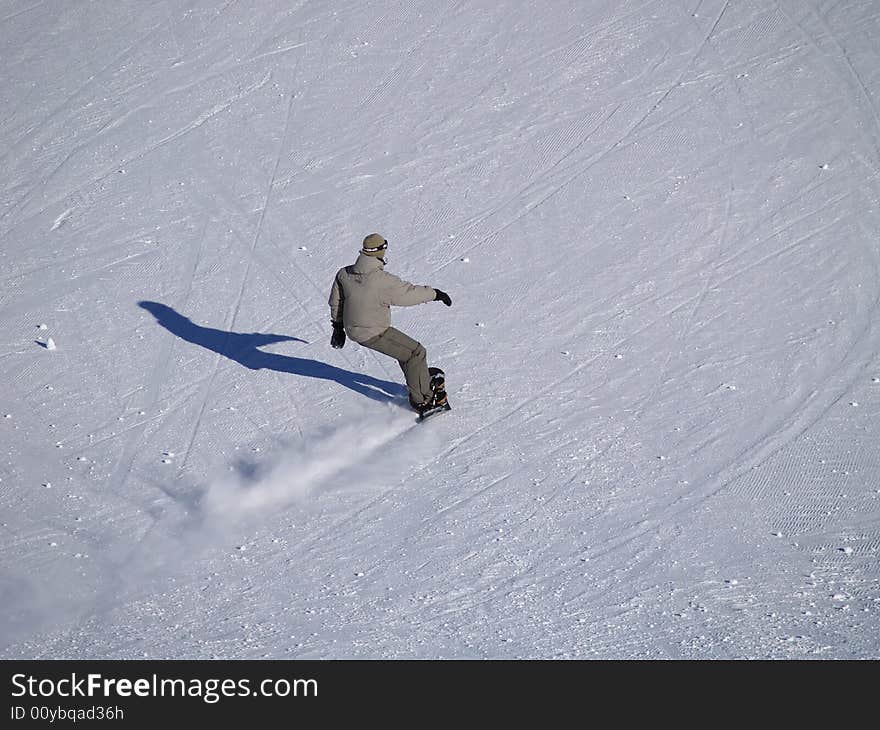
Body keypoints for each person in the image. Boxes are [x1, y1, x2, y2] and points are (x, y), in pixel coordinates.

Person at [328, 233, 452, 413]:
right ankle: (424, 401)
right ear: (380, 251)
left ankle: (419, 382)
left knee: (407, 353)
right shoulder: (381, 280)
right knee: (415, 353)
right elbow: (408, 294)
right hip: (374, 331)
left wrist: (338, 328)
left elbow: (336, 302)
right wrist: (435, 294)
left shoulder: (344, 273)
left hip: (354, 329)